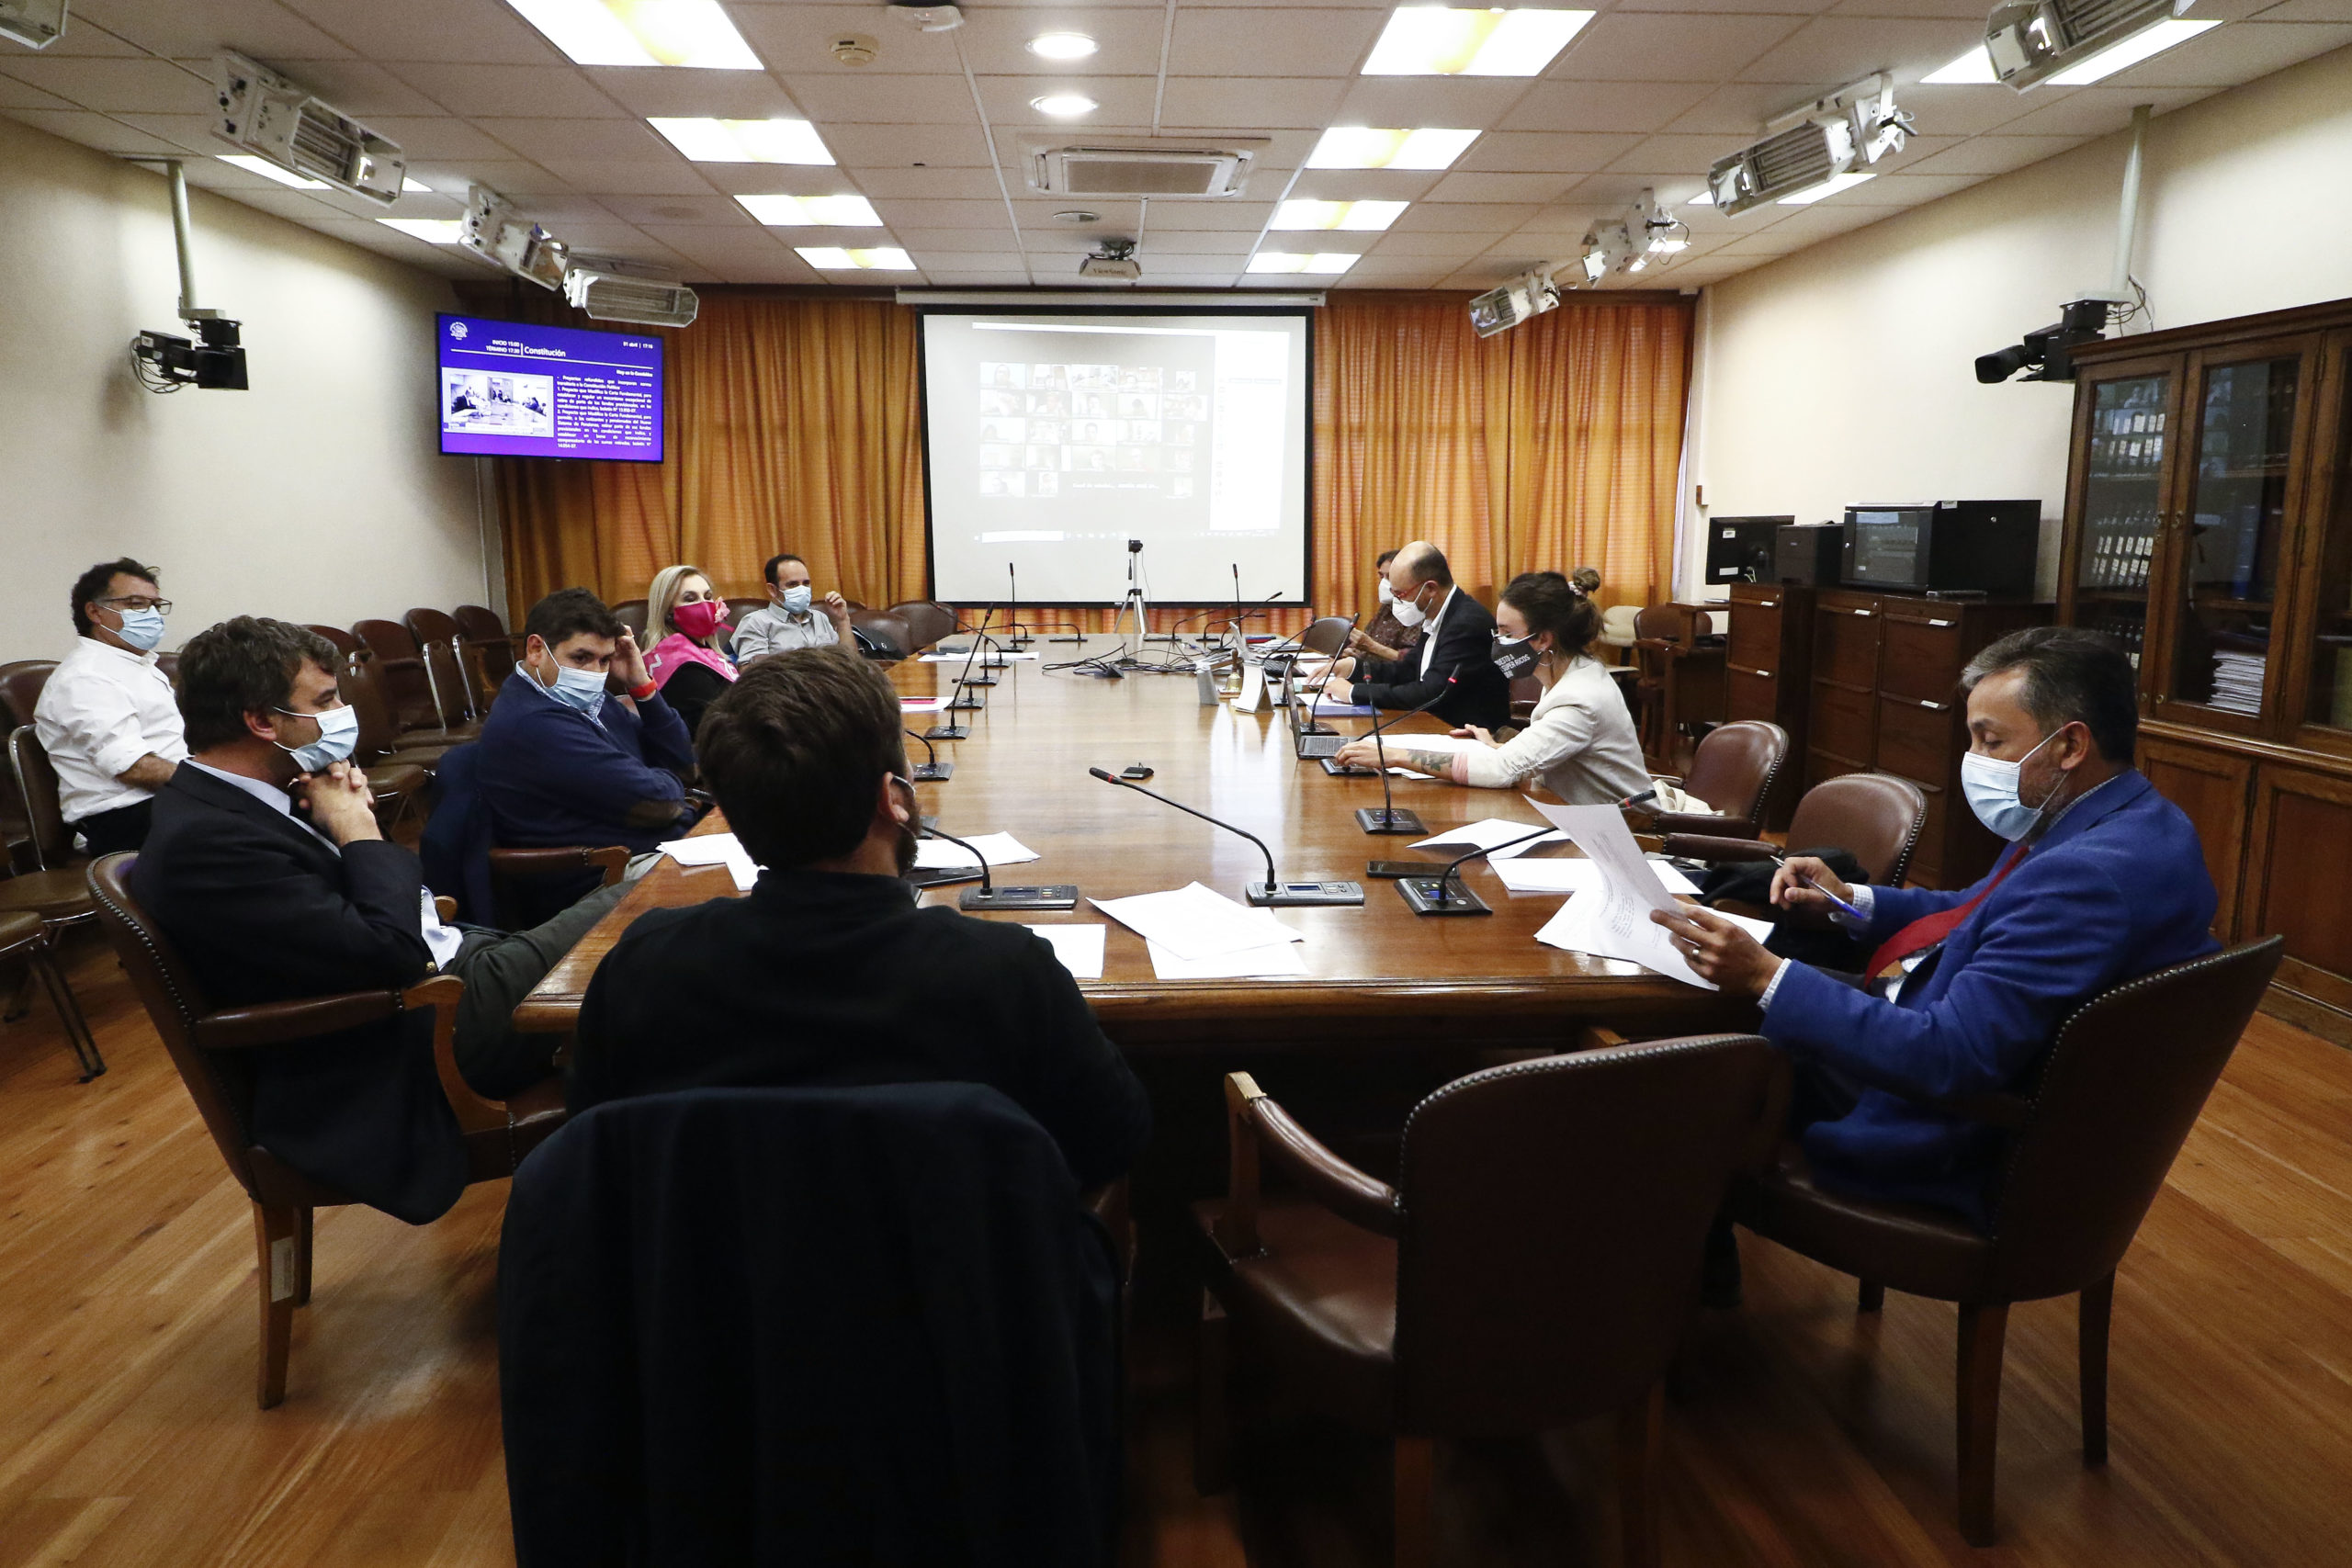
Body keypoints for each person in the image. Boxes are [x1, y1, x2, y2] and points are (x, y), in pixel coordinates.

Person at [1653, 626, 2219, 1232]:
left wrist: (1765, 976)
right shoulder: (2131, 821)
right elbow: (1974, 908)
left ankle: (1680, 1266)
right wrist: (1847, 901)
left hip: (1943, 1129)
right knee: (1711, 1029)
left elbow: (1948, 1056)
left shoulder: (2084, 878)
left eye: (1990, 740)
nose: (1972, 759)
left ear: (2070, 745)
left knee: (1670, 1082)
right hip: (1959, 1053)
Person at [570, 649, 1151, 1191]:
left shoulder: (643, 967)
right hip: (961, 1269)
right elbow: (1112, 1142)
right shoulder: (1007, 972)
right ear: (894, 797)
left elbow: (599, 1151)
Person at [129, 617, 628, 1222]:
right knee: (646, 899)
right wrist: (359, 829)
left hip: (449, 971)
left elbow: (378, 910)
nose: (342, 713)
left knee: (652, 961)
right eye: (325, 701)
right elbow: (388, 950)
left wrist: (349, 826)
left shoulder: (263, 794)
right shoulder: (205, 841)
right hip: (424, 1024)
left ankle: (623, 1180)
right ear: (262, 721)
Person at [1336, 568, 1657, 806]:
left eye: (1506, 633)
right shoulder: (1568, 675)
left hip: (1627, 835)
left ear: (1543, 639)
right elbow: (1552, 755)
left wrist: (1394, 755)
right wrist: (1497, 746)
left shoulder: (1579, 699)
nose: (1498, 641)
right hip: (1576, 816)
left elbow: (1503, 772)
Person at [474, 588, 698, 927]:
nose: (594, 673)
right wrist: (668, 784)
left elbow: (683, 765)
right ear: (536, 650)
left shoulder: (588, 700)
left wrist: (640, 685)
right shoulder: (533, 723)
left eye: (604, 660)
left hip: (653, 847)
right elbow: (660, 802)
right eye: (581, 658)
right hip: (598, 880)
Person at [32, 558, 187, 855]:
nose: (151, 615)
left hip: (167, 800)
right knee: (249, 824)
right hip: (122, 817)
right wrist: (211, 783)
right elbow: (133, 767)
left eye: (155, 605)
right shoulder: (85, 677)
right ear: (95, 612)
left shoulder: (139, 666)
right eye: (136, 604)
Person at [1322, 540, 1509, 730]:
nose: (1396, 602)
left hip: (1464, 733)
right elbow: (1408, 671)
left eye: (1400, 594)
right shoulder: (1437, 614)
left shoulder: (1466, 623)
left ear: (1430, 589)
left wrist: (1354, 692)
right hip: (1432, 724)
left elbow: (1430, 693)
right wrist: (1355, 668)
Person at [639, 563, 736, 737]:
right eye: (690, 599)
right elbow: (719, 729)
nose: (704, 605)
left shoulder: (702, 651)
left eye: (708, 597)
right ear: (667, 611)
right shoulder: (684, 668)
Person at [730, 553, 850, 662]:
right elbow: (750, 673)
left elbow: (850, 662)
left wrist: (843, 620)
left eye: (806, 583)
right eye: (793, 585)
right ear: (772, 589)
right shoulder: (756, 622)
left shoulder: (820, 618)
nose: (802, 590)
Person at [1348, 547, 1422, 668]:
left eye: (1390, 576)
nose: (1384, 582)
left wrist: (1371, 646)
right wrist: (1352, 652)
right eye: (1381, 576)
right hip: (1369, 671)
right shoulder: (1386, 607)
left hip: (1393, 675)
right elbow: (1366, 644)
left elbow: (1412, 662)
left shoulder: (1418, 611)